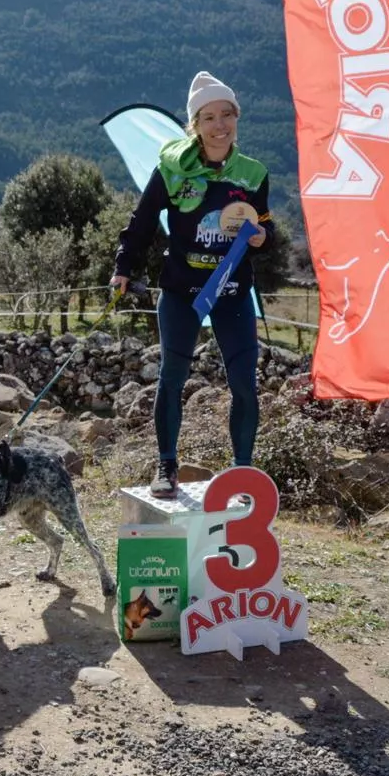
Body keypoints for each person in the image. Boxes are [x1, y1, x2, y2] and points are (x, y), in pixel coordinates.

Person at [111, 71, 275, 499]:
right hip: (182, 291)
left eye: (227, 115)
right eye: (209, 118)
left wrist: (262, 237)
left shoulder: (253, 174)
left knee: (243, 382)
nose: (220, 125)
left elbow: (266, 226)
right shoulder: (172, 169)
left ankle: (243, 474)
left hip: (233, 294)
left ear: (237, 118)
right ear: (195, 125)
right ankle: (167, 466)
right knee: (172, 376)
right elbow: (142, 222)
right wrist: (123, 267)